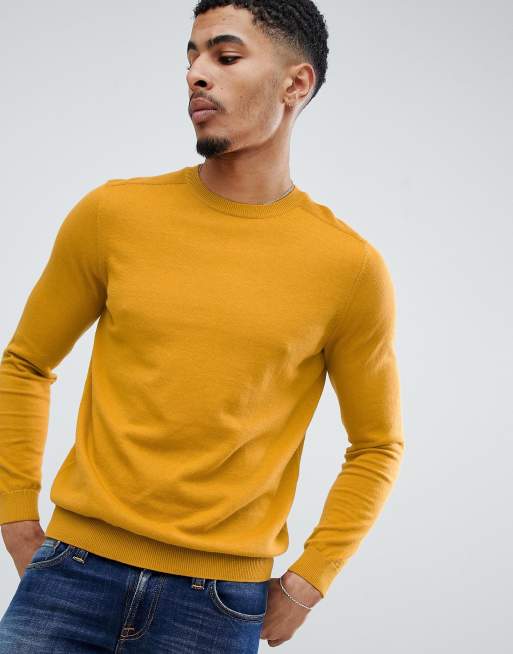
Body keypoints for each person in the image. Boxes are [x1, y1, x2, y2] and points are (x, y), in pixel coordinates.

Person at [0, 1, 405, 651]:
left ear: (295, 84)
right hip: (70, 577)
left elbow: (377, 444)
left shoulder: (348, 269)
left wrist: (311, 580)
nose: (196, 73)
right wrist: (16, 515)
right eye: (191, 56)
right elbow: (25, 363)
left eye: (226, 55)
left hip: (215, 609)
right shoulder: (113, 215)